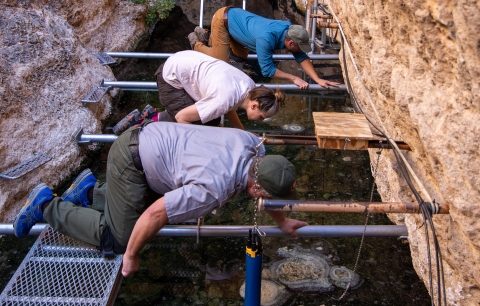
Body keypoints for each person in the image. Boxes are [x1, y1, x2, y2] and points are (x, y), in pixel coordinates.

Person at [13, 123, 308, 277]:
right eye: (269, 198)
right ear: (256, 188)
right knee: (120, 237)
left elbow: (267, 186)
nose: (267, 201)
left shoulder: (254, 145)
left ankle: (89, 192)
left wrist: (282, 222)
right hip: (131, 158)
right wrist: (130, 255)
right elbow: (155, 214)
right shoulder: (213, 189)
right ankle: (46, 205)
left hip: (150, 140)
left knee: (150, 210)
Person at [188, 7, 340, 90]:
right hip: (223, 20)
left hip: (236, 23)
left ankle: (209, 37)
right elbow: (267, 71)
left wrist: (317, 79)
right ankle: (196, 42)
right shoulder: (266, 38)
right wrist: (294, 78)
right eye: (300, 47)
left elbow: (301, 56)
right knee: (221, 59)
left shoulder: (289, 29)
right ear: (290, 43)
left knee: (240, 57)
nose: (301, 50)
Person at [154, 50, 285, 129]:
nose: (261, 120)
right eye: (261, 117)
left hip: (184, 61)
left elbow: (229, 106)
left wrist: (241, 132)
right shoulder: (225, 99)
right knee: (201, 123)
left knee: (212, 119)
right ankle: (153, 120)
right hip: (170, 77)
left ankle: (157, 116)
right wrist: (202, 145)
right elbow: (182, 117)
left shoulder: (249, 87)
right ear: (254, 106)